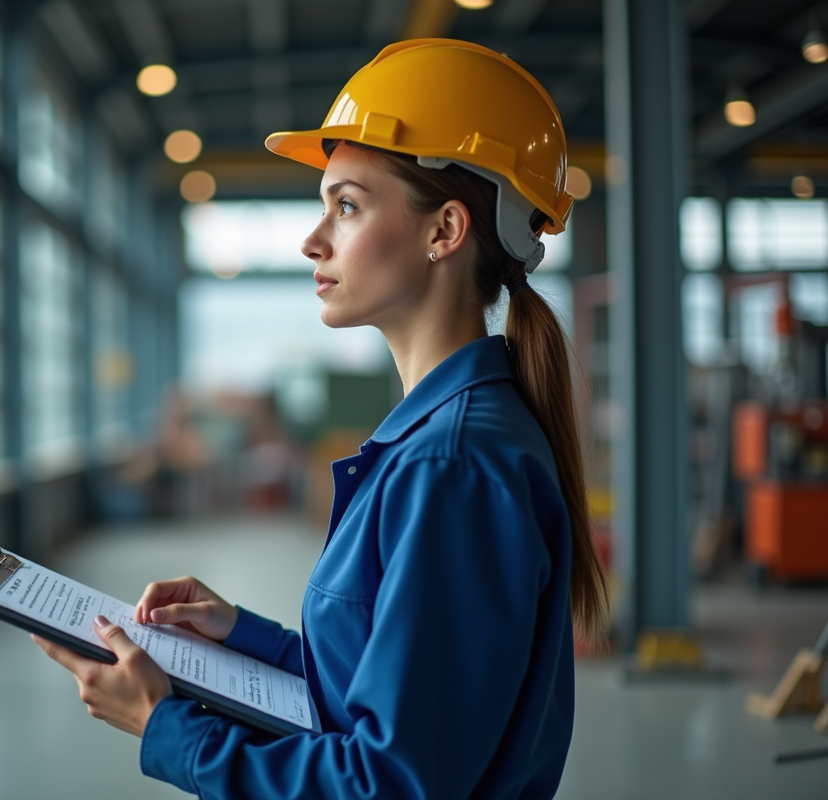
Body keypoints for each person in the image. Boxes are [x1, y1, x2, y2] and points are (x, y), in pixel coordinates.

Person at [32, 38, 608, 799]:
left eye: (347, 206)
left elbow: (389, 784)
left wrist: (166, 727)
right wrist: (239, 635)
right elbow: (375, 688)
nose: (313, 240)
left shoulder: (452, 466)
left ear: (445, 231)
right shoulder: (440, 441)